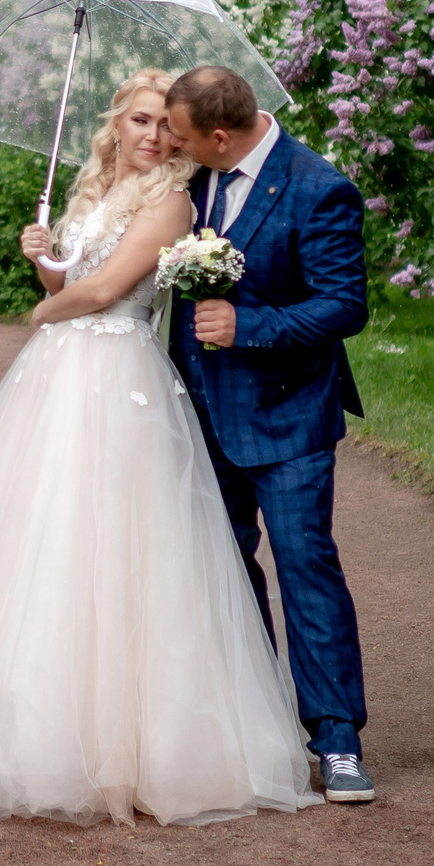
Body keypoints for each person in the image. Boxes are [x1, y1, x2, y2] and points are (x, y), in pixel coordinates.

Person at [0, 69, 321, 827]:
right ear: (115, 123)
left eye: (166, 125)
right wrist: (43, 256)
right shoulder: (92, 192)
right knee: (34, 528)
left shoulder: (172, 202)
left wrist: (42, 309)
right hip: (57, 374)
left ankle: (119, 738)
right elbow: (70, 280)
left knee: (111, 534)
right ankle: (8, 716)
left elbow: (102, 292)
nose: (154, 135)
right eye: (140, 120)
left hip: (118, 372)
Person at [163, 64, 376, 804]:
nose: (173, 146)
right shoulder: (193, 182)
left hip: (289, 416)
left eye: (183, 136)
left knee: (304, 567)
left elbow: (345, 305)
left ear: (221, 135)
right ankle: (259, 725)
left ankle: (338, 741)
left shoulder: (320, 187)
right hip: (201, 412)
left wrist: (247, 325)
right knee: (226, 570)